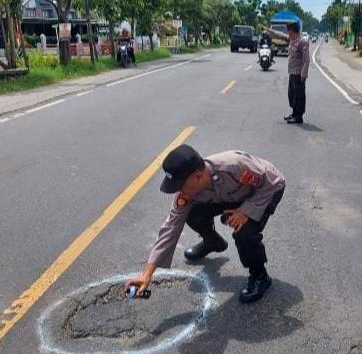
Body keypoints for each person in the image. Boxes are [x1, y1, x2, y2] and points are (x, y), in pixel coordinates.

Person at [126, 145, 286, 303]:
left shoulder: (234, 166)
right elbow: (170, 228)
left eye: (180, 185)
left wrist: (245, 211)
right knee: (193, 214)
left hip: (263, 191)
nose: (178, 191)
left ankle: (260, 276)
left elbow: (274, 182)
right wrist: (146, 274)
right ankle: (213, 242)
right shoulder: (187, 193)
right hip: (230, 197)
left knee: (244, 232)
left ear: (198, 176)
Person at [266, 22, 310, 124]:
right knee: (292, 94)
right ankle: (294, 113)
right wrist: (270, 31)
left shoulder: (302, 41)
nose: (287, 33)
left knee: (299, 95)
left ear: (292, 31)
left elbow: (306, 59)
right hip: (292, 72)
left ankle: (299, 116)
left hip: (299, 74)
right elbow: (280, 35)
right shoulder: (292, 39)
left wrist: (304, 74)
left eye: (288, 31)